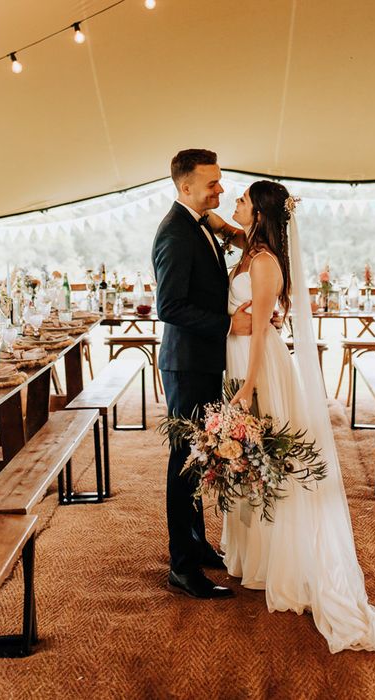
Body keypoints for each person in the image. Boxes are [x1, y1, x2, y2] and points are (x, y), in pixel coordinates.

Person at [207, 180, 375, 667]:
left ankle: (282, 560)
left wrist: (247, 389)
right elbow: (229, 231)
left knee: (265, 455)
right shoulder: (250, 249)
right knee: (251, 461)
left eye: (243, 200)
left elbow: (262, 329)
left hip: (259, 367)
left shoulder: (266, 262)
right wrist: (206, 219)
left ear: (261, 210)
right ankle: (254, 553)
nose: (234, 203)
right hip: (237, 359)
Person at [151, 149, 254, 600]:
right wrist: (229, 324)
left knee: (199, 458)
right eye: (212, 183)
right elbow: (169, 307)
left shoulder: (200, 224)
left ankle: (196, 542)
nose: (221, 189)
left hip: (202, 360)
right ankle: (182, 566)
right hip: (187, 364)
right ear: (185, 187)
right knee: (185, 463)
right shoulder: (175, 233)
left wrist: (229, 231)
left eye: (220, 180)